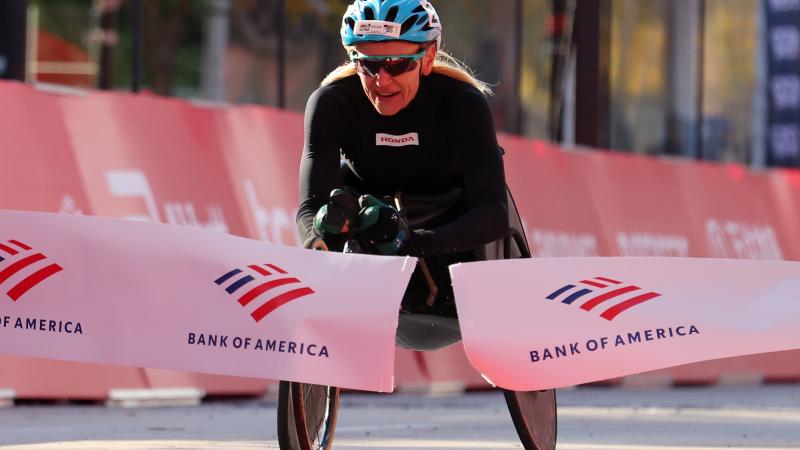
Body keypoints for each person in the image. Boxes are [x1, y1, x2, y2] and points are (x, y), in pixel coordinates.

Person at [296, 0, 509, 315]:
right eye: (368, 64)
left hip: (452, 241)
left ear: (428, 58)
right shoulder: (331, 103)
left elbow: (494, 214)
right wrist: (319, 236)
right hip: (371, 244)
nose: (382, 80)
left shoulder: (463, 103)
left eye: (397, 64)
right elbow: (309, 209)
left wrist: (414, 242)